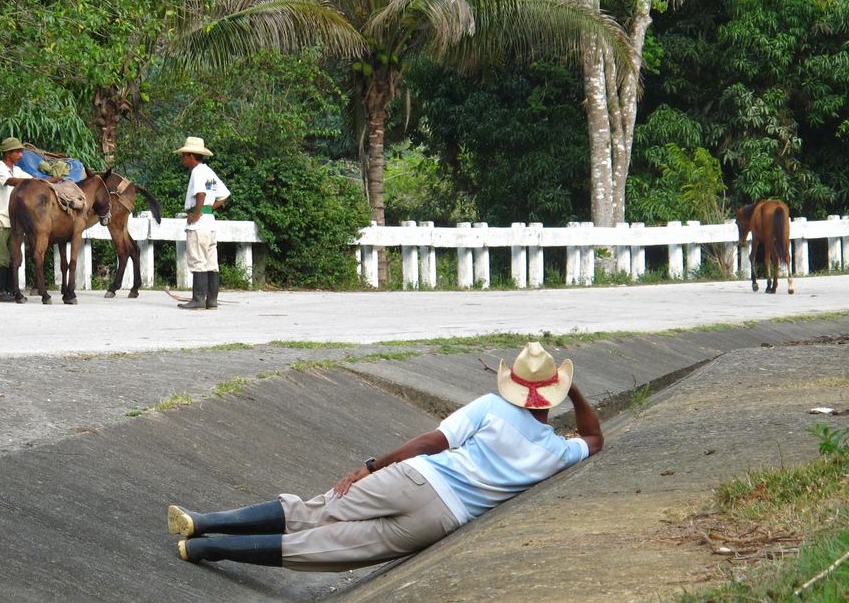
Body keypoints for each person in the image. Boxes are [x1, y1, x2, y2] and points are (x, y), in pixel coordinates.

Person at [167, 341, 603, 570]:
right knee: (325, 548)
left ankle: (205, 522)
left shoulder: (490, 406)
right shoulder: (556, 452)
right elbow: (594, 438)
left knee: (315, 510)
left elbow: (433, 442)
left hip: (415, 477)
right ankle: (211, 550)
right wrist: (575, 391)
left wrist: (372, 464)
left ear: (513, 385)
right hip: (444, 518)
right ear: (554, 395)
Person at [175, 137, 230, 310]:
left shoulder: (197, 172)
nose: (183, 159)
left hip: (199, 225)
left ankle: (198, 300)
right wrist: (209, 210)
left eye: (184, 155)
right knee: (211, 263)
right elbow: (224, 195)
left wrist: (196, 214)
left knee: (197, 261)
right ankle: (211, 301)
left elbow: (200, 194)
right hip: (210, 223)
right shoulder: (209, 172)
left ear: (191, 155)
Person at [0, 137, 34, 302]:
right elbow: (13, 182)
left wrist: (45, 180)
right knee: (0, 257)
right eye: (17, 151)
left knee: (12, 256)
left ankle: (10, 290)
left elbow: (30, 179)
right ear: (7, 153)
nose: (21, 154)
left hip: (12, 220)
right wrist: (36, 181)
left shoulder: (16, 169)